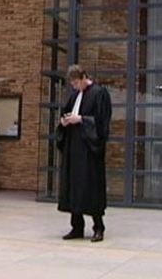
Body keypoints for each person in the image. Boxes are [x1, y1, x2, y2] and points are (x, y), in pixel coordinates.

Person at [57, 65, 112, 242]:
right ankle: (77, 226)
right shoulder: (74, 96)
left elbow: (102, 122)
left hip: (89, 151)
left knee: (91, 187)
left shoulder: (99, 93)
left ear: (82, 78)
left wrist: (81, 119)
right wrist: (64, 122)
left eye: (75, 83)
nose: (74, 87)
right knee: (74, 187)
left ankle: (98, 227)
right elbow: (65, 113)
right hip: (74, 149)